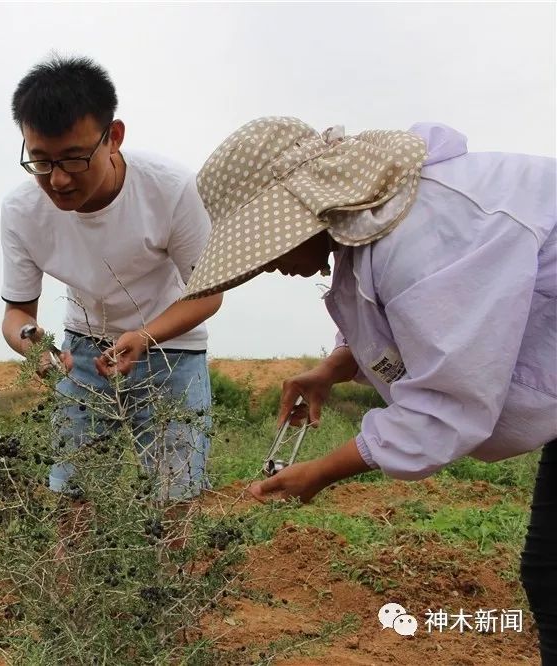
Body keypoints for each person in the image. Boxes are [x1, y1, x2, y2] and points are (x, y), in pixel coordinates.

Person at [183, 117, 556, 662]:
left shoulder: (428, 234)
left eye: (268, 245)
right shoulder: (383, 224)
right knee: (548, 570)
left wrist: (319, 472)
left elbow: (444, 407)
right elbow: (412, 325)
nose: (270, 266)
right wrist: (333, 368)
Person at [0, 56, 222, 502]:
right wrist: (32, 342)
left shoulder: (172, 189)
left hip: (171, 350)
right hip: (81, 352)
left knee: (176, 498)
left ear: (113, 137)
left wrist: (143, 336)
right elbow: (17, 313)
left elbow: (208, 294)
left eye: (74, 159)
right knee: (71, 497)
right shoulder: (22, 211)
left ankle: (172, 574)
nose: (58, 179)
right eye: (40, 161)